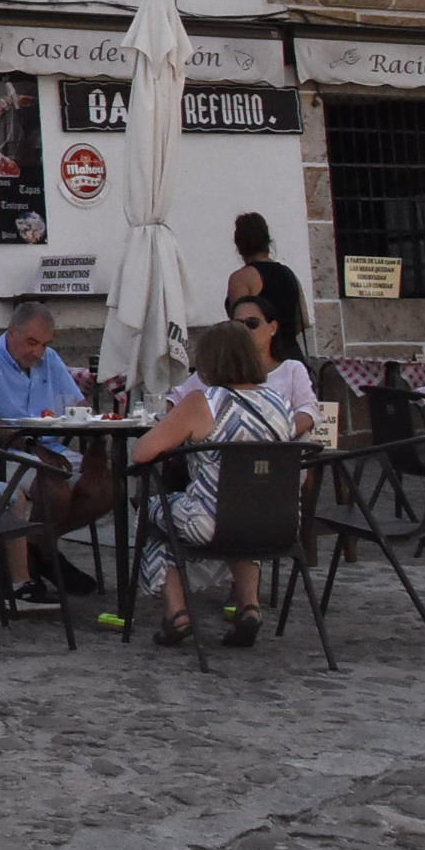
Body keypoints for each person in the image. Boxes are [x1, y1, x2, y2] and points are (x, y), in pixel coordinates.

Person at [130, 318, 298, 646]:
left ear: (209, 361)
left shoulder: (203, 403)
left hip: (213, 522)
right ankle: (249, 606)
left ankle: (177, 614)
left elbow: (142, 452)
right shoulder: (280, 403)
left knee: (151, 511)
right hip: (278, 521)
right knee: (246, 504)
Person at [0, 301, 110, 596]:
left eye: (43, 344)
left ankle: (38, 547)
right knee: (53, 489)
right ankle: (40, 559)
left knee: (105, 487)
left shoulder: (48, 359)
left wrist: (94, 443)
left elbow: (77, 408)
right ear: (11, 331)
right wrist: (30, 445)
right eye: (31, 342)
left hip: (49, 445)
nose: (37, 352)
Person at [171, 298, 321, 438]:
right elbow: (173, 401)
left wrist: (275, 435)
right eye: (238, 325)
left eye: (252, 323)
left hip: (278, 452)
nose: (244, 331)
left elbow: (308, 411)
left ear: (273, 327)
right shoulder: (215, 370)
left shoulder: (291, 369)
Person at [223, 212, 308, 367]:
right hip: (293, 358)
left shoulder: (242, 278)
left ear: (238, 244)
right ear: (267, 240)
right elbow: (304, 320)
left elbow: (239, 331)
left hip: (262, 363)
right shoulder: (290, 274)